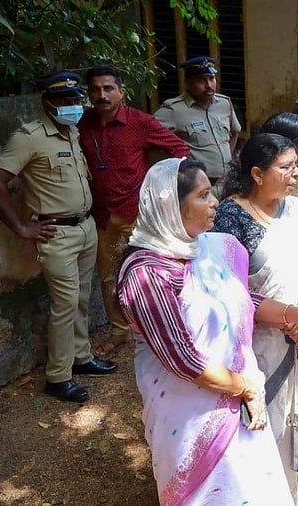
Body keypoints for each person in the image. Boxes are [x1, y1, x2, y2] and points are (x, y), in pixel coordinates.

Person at [117, 157, 298, 505]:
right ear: (172, 206)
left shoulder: (206, 249)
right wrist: (247, 388)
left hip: (236, 399)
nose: (215, 201)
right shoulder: (147, 273)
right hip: (192, 415)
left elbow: (245, 298)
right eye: (203, 196)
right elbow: (184, 360)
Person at [213, 134, 298, 503]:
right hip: (255, 348)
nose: (296, 174)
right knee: (263, 430)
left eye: (296, 165)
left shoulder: (297, 208)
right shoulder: (230, 218)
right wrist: (284, 320)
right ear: (257, 174)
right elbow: (224, 291)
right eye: (286, 167)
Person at [0, 71, 117, 403]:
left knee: (81, 297)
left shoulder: (72, 131)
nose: (75, 105)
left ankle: (81, 357)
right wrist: (21, 227)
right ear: (47, 103)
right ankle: (58, 377)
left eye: (77, 100)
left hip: (85, 227)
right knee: (64, 304)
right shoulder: (29, 136)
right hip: (56, 232)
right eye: (66, 101)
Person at [78, 65, 190, 353]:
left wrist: (160, 189)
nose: (101, 95)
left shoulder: (139, 122)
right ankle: (120, 332)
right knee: (108, 276)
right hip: (102, 216)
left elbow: (180, 150)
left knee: (150, 272)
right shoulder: (82, 124)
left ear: (121, 92)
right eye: (95, 89)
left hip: (137, 215)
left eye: (108, 88)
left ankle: (165, 330)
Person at [154, 56, 241, 197]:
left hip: (227, 183)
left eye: (211, 78)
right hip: (198, 188)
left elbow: (235, 132)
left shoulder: (224, 104)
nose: (209, 85)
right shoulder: (173, 110)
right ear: (187, 83)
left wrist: (227, 159)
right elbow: (149, 137)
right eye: (202, 80)